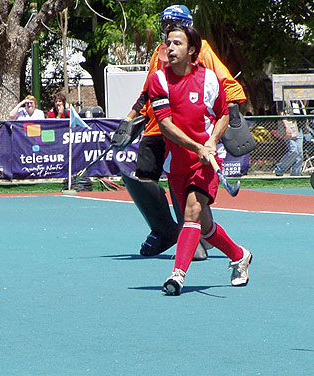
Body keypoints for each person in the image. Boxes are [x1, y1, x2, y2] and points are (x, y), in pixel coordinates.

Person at [113, 5, 247, 260]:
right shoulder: (160, 52)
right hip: (157, 126)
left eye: (174, 23)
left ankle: (195, 237)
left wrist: (234, 111)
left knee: (185, 186)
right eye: (165, 24)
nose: (168, 30)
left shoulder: (201, 50)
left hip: (187, 130)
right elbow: (146, 91)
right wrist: (129, 118)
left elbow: (224, 82)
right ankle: (164, 230)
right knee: (142, 178)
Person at [148, 23, 252, 296]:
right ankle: (240, 255)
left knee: (191, 213)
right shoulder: (158, 80)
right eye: (168, 43)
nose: (170, 48)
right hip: (177, 163)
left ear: (192, 49)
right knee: (203, 227)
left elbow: (223, 115)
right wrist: (197, 145)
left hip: (206, 162)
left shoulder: (208, 79)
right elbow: (166, 124)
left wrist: (212, 142)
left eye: (177, 43)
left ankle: (177, 275)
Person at [275, 100, 307, 176]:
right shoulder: (282, 97)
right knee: (293, 150)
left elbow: (303, 106)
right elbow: (281, 112)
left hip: (299, 128)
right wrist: (287, 127)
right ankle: (279, 170)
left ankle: (295, 175)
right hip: (290, 127)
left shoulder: (298, 99)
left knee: (300, 154)